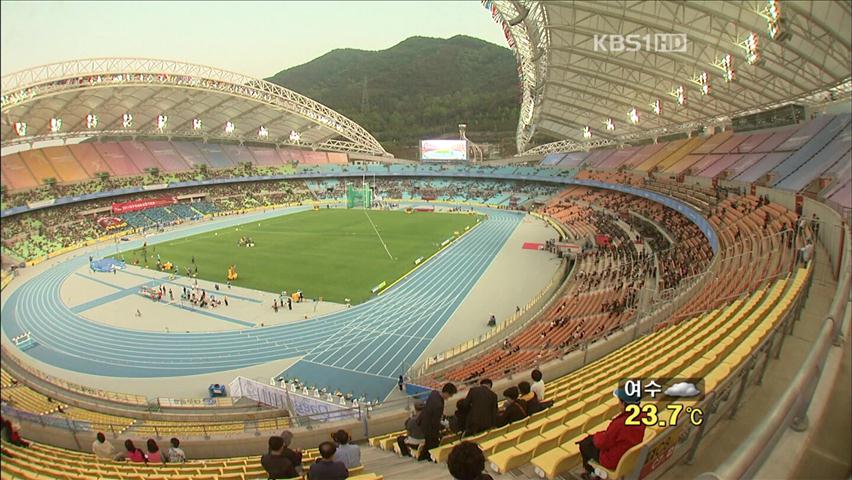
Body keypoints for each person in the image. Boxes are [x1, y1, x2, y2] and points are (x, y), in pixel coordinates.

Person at [577, 387, 646, 478]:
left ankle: (592, 473)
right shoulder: (642, 416)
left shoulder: (619, 424)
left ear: (624, 403)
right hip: (627, 455)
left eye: (619, 401)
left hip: (612, 460)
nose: (618, 404)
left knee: (584, 444)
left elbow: (602, 443)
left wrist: (596, 436)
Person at [417, 382, 458, 461]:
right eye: (450, 395)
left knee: (428, 444)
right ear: (446, 393)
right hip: (429, 426)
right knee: (432, 444)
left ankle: (423, 457)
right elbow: (435, 422)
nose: (449, 398)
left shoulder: (434, 393)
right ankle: (427, 457)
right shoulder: (438, 405)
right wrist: (441, 429)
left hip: (424, 421)